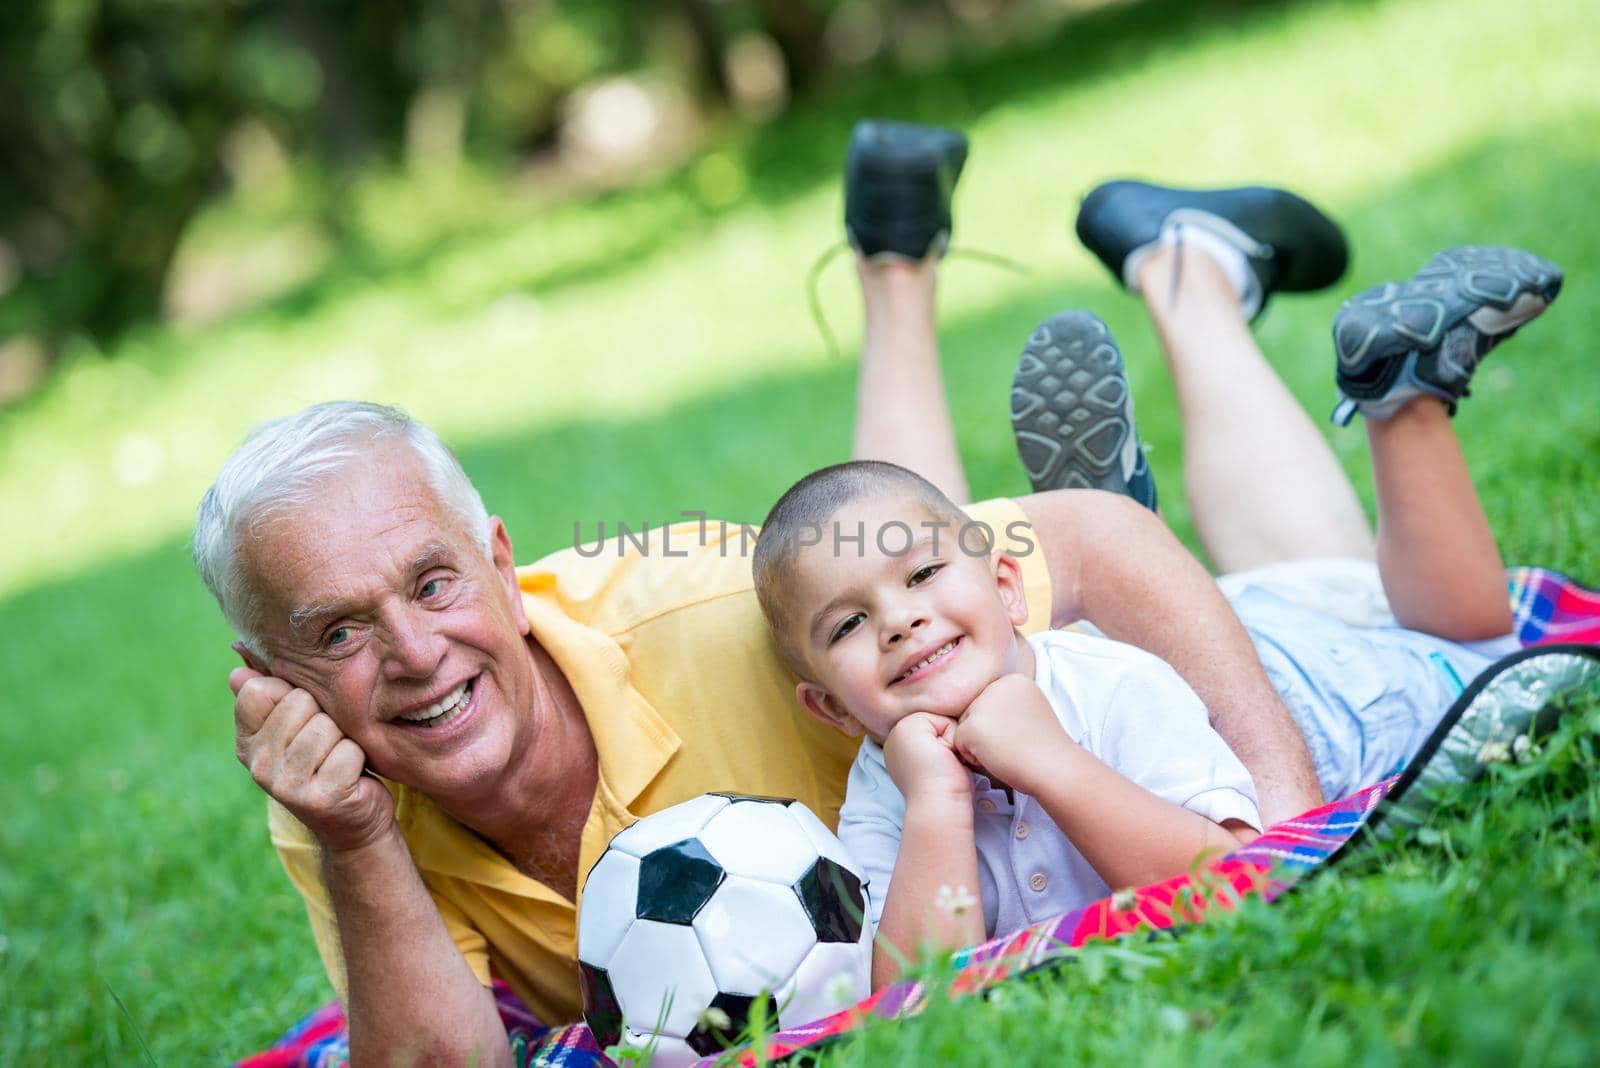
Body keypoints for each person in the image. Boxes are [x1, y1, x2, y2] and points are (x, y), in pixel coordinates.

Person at [195, 121, 1324, 1063]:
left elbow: (1092, 541)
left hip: (1107, 694)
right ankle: (900, 259)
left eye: (433, 582)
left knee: (1300, 588)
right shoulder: (342, 790)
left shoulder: (705, 607)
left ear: (501, 556)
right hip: (968, 752)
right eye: (337, 630)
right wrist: (353, 841)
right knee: (884, 568)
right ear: (273, 682)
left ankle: (1187, 271)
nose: (412, 653)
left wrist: (1284, 831)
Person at [750, 220, 1563, 985]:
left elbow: (1230, 881)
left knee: (1484, 656)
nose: (898, 621)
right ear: (829, 706)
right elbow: (909, 999)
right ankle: (1122, 524)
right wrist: (936, 802)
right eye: (851, 624)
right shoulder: (886, 790)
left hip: (1327, 701)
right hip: (1222, 634)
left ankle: (1402, 398)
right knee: (1334, 576)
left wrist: (1049, 760)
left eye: (923, 576)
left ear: (1006, 583)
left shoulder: (1113, 689)